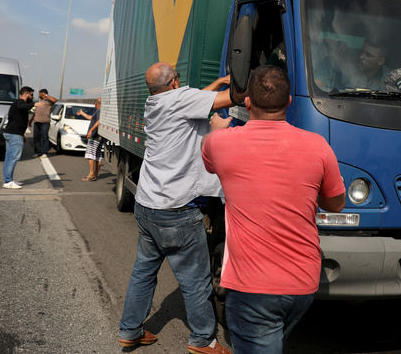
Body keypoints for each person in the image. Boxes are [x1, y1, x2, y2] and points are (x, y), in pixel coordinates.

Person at [202, 65, 346, 353]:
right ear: (289, 101)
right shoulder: (318, 146)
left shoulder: (219, 143)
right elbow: (336, 203)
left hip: (252, 287)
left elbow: (209, 163)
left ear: (247, 102)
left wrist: (215, 129)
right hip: (303, 284)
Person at [117, 63, 233, 353]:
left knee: (143, 271)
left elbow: (193, 100)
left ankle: (130, 331)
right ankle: (204, 341)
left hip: (147, 204)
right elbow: (229, 100)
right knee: (195, 280)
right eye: (179, 79)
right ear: (174, 84)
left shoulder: (154, 102)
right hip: (176, 210)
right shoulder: (179, 99)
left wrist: (218, 80)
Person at [2, 86, 43, 189]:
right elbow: (22, 106)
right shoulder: (20, 103)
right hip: (14, 134)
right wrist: (34, 104)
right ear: (26, 94)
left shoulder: (17, 104)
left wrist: (22, 134)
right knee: (13, 158)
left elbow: (16, 120)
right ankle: (8, 181)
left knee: (9, 158)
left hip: (13, 133)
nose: (32, 97)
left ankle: (8, 180)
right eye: (31, 95)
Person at [78, 98, 104, 181]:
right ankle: (95, 174)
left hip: (94, 137)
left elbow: (99, 121)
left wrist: (90, 130)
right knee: (97, 156)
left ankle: (91, 174)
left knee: (90, 155)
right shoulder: (99, 111)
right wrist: (82, 113)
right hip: (99, 137)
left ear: (96, 104)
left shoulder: (99, 111)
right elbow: (91, 117)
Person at [28, 89, 55, 158]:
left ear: (43, 94)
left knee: (44, 137)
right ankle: (38, 152)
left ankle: (44, 152)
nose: (38, 95)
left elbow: (55, 100)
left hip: (45, 122)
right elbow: (35, 112)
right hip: (37, 122)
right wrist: (31, 121)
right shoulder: (38, 102)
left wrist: (46, 95)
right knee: (36, 138)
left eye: (40, 93)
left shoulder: (49, 102)